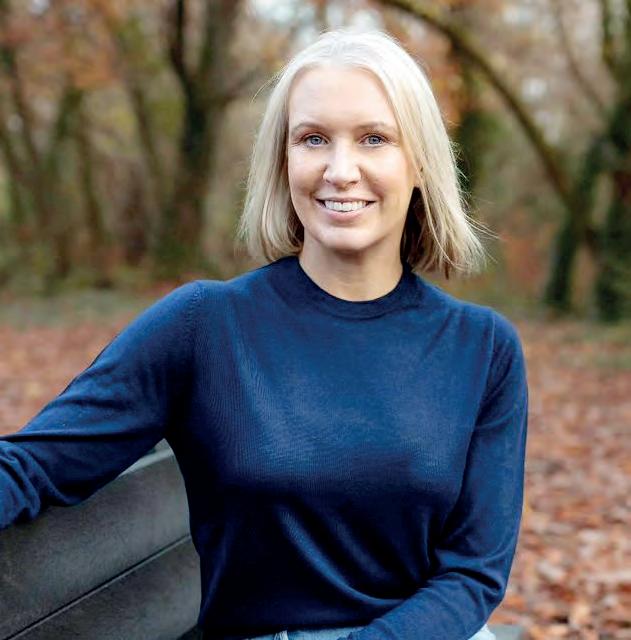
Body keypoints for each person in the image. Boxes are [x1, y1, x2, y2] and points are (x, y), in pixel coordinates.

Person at [0, 28, 528, 640]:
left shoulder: (482, 349)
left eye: (374, 139)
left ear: (420, 165)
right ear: (283, 161)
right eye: (312, 139)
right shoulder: (205, 325)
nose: (340, 171)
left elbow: (473, 573)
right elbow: (34, 464)